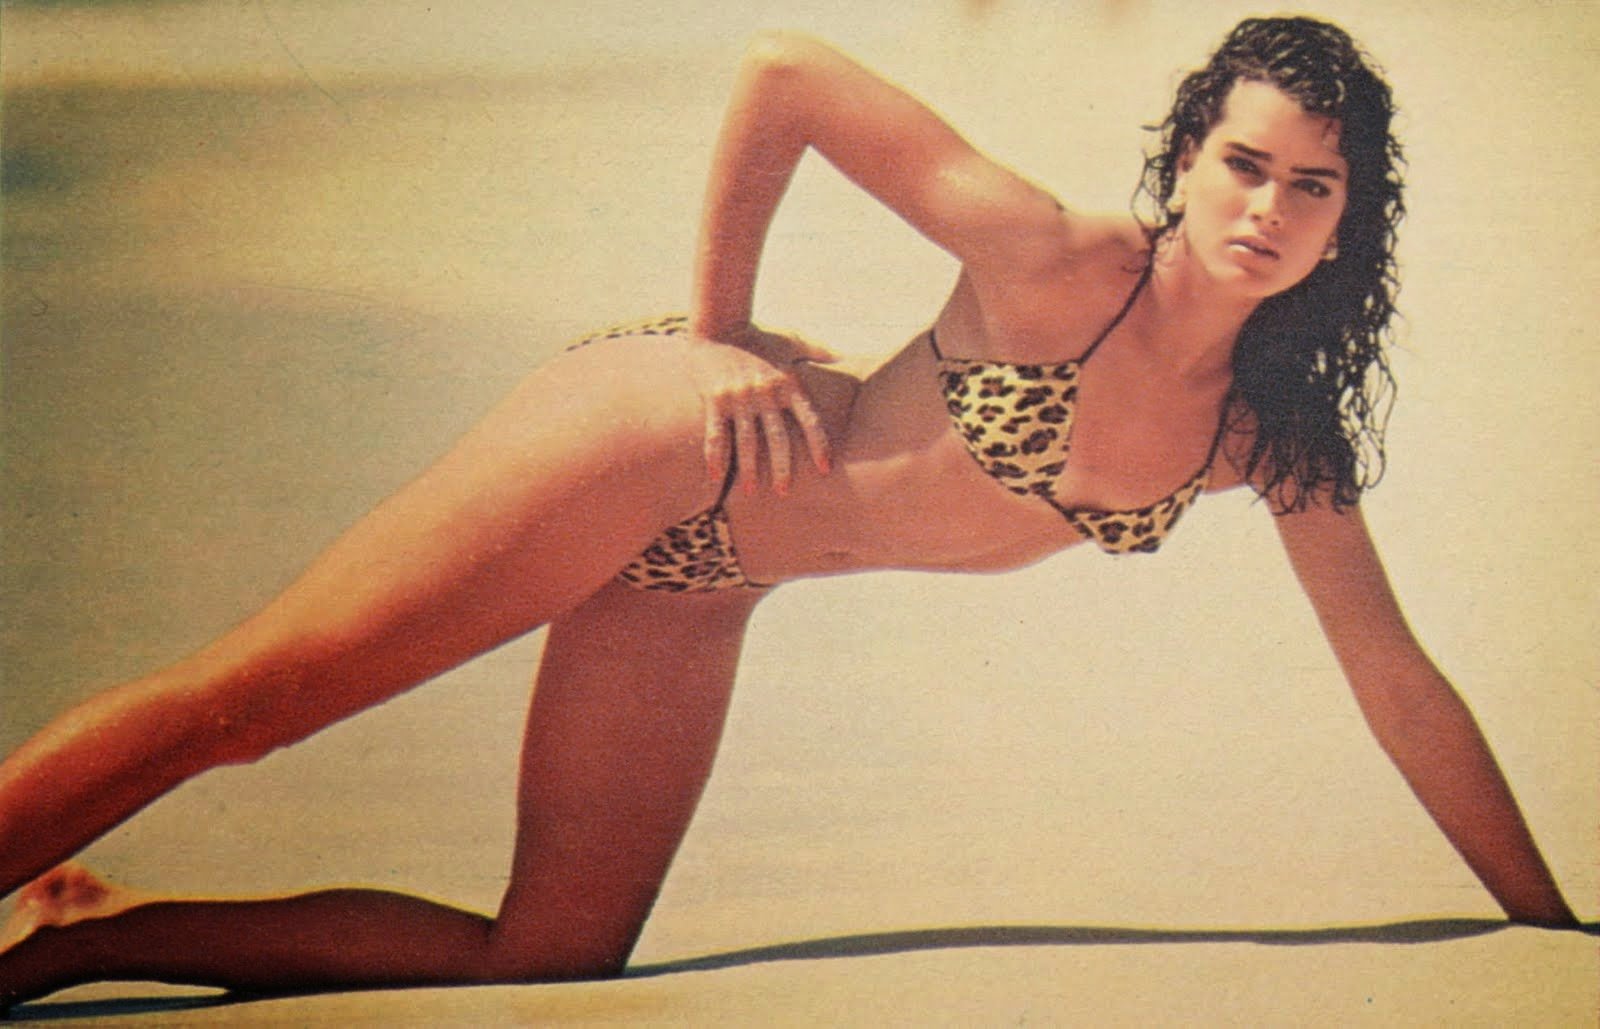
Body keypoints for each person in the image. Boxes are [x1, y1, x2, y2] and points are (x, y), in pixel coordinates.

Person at [0, 14, 1581, 1009]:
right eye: (1244, 164)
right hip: (656, 448)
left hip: (698, 581)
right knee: (250, 706)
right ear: (1184, 160)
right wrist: (714, 337)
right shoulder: (1054, 260)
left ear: (1347, 225)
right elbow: (787, 77)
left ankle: (84, 938)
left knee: (547, 955)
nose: (1268, 206)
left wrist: (1550, 933)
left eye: (1312, 187)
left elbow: (1397, 682)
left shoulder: (1268, 436)